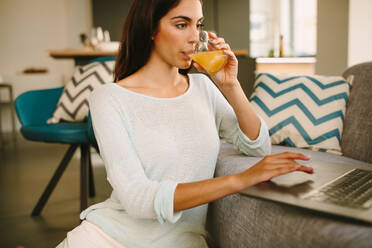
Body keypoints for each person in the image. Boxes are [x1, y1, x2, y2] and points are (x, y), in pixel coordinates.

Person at [57, 0, 313, 247]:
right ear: (150, 30)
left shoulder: (203, 88)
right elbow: (137, 198)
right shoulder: (108, 98)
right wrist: (240, 180)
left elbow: (258, 146)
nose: (194, 37)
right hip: (107, 237)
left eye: (198, 25)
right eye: (182, 25)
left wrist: (231, 86)